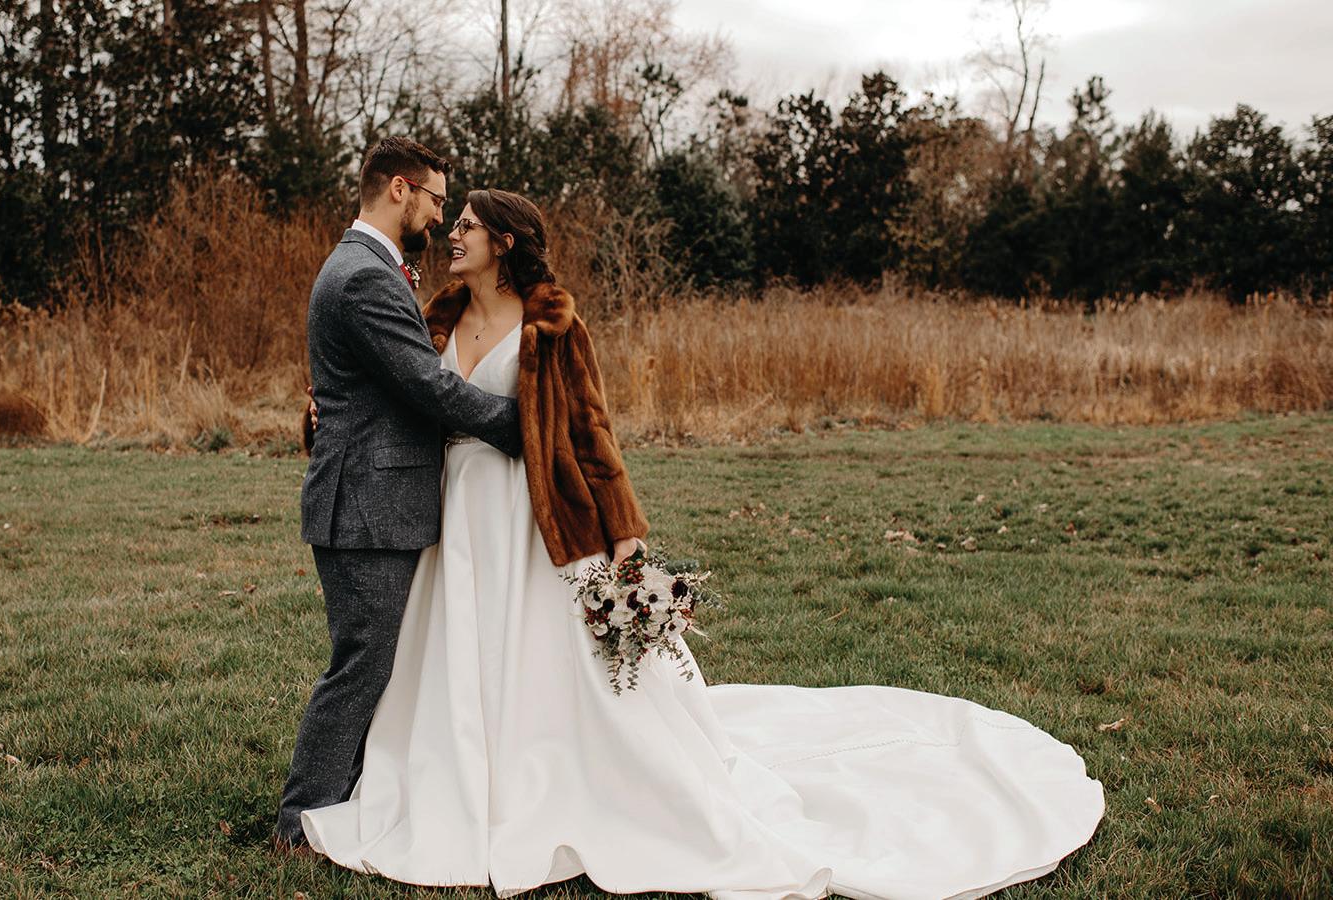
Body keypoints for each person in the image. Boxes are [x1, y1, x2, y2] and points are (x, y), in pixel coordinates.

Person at [296, 187, 1105, 898]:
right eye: (455, 220)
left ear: (503, 242)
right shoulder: (434, 315)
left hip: (535, 513)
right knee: (454, 649)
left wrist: (625, 537)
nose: (453, 233)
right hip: (453, 513)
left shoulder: (553, 322)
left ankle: (554, 778)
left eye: (468, 224)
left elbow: (593, 434)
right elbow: (399, 389)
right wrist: (328, 410)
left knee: (544, 657)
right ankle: (458, 776)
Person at [274, 138, 525, 850]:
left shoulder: (367, 266)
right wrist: (517, 425)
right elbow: (424, 382)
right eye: (437, 200)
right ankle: (301, 822)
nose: (441, 218)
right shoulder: (363, 276)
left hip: (372, 498)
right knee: (363, 665)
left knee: (375, 663)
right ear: (398, 190)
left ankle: (352, 794)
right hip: (366, 505)